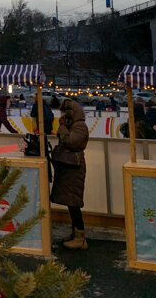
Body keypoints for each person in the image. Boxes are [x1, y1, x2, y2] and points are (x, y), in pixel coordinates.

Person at [50, 98, 90, 250]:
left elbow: (71, 142)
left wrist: (62, 127)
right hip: (69, 167)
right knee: (70, 202)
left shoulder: (80, 126)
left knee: (73, 202)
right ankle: (75, 233)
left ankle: (80, 238)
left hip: (74, 168)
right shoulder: (73, 125)